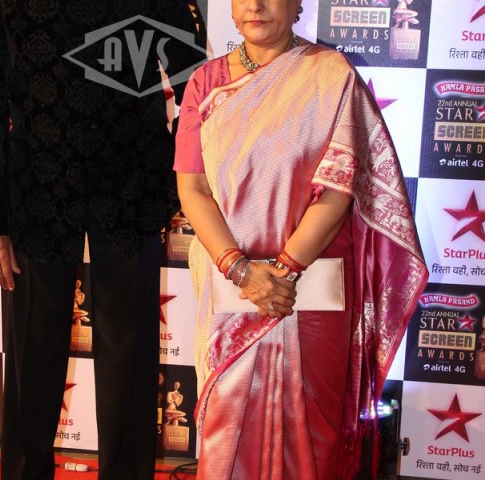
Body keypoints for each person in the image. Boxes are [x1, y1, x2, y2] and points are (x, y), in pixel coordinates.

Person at [174, 1, 429, 479]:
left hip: (310, 290)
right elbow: (193, 189)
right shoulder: (206, 83)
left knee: (312, 428)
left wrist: (283, 272)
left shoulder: (331, 76)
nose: (255, 6)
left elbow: (338, 190)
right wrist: (242, 271)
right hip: (231, 287)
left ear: (298, 6)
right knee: (227, 424)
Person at [0, 2, 205, 479]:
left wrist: (173, 172)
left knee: (129, 364)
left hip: (132, 186)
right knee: (31, 363)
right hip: (36, 191)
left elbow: (195, 81)